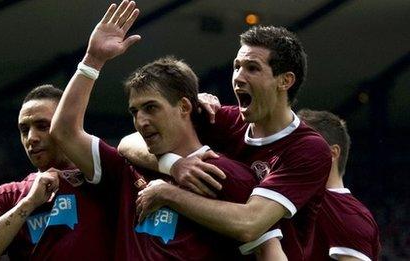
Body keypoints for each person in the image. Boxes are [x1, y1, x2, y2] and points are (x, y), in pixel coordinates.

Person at [49, 1, 286, 259]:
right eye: (134, 112)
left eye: (151, 108)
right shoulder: (128, 170)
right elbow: (64, 132)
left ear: (184, 106)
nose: (141, 121)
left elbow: (268, 252)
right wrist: (92, 60)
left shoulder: (230, 175)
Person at [120, 25, 332, 260]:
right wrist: (175, 165)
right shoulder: (220, 118)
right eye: (237, 67)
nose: (239, 77)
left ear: (285, 81)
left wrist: (169, 194)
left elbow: (250, 223)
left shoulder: (308, 149)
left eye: (252, 68)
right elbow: (129, 142)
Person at [0, 85, 117, 260]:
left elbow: (133, 145)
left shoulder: (105, 177)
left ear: (66, 125)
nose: (31, 138)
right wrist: (28, 203)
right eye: (24, 130)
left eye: (42, 126)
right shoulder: (8, 196)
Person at [297, 109, 381, 261]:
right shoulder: (292, 199)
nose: (291, 154)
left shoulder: (350, 216)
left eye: (301, 146)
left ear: (332, 153)